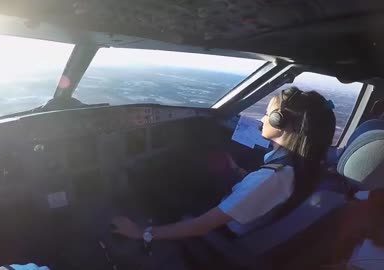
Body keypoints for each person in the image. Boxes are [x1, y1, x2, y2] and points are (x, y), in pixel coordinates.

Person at [111, 87, 336, 240]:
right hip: (243, 219)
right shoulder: (300, 167)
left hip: (222, 234)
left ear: (280, 123)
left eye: (268, 115)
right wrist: (239, 172)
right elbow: (264, 196)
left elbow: (202, 226)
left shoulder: (270, 178)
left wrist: (141, 232)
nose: (262, 119)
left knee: (165, 182)